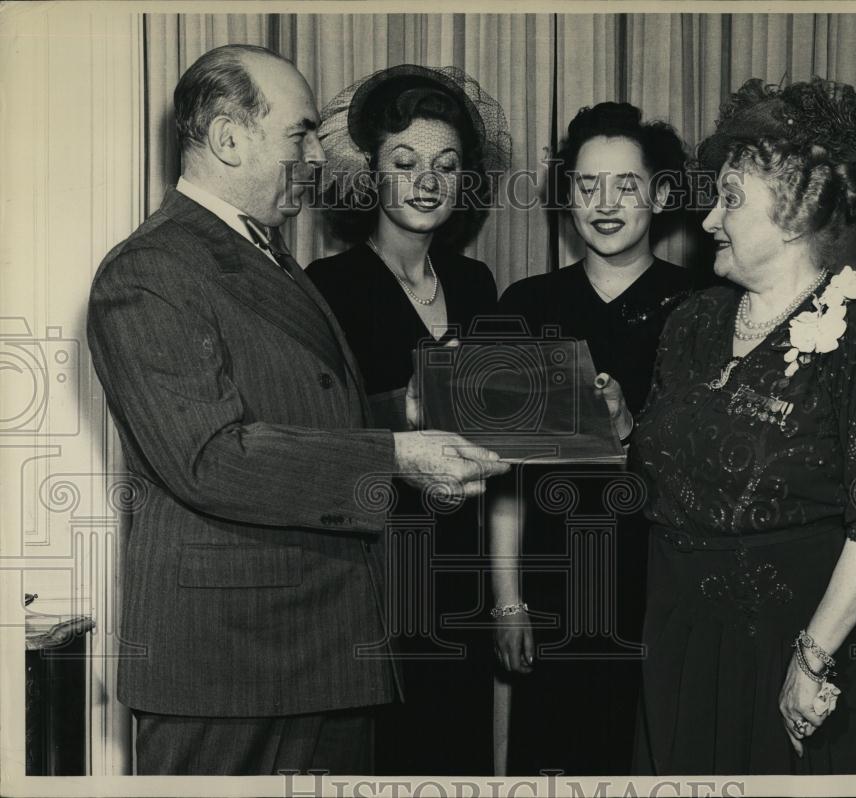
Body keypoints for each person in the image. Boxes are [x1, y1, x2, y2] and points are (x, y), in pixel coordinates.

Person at [86, 44, 508, 776]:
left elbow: (302, 414)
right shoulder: (150, 271)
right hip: (232, 666)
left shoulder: (260, 251)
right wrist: (399, 456)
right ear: (227, 137)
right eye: (300, 134)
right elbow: (209, 457)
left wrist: (402, 409)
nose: (317, 155)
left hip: (312, 649)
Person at [632, 77, 856, 774]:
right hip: (680, 639)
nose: (708, 220)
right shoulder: (692, 323)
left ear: (794, 214)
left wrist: (812, 657)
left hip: (797, 650)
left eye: (731, 199)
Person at [306, 64, 511, 775]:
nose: (428, 181)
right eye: (406, 162)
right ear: (369, 175)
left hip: (458, 567)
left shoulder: (476, 283)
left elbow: (496, 426)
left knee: (457, 758)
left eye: (446, 166)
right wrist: (404, 414)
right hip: (366, 575)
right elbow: (311, 438)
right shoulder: (326, 288)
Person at [491, 102, 705, 775]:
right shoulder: (526, 305)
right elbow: (504, 471)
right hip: (555, 589)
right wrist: (507, 598)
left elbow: (715, 476)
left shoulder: (704, 307)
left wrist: (625, 433)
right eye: (587, 186)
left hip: (667, 592)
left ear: (662, 194)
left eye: (626, 185)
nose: (604, 204)